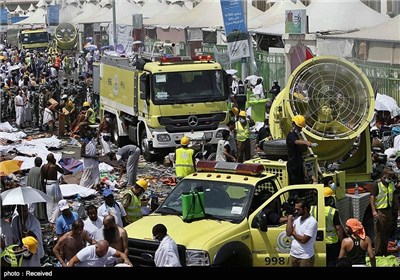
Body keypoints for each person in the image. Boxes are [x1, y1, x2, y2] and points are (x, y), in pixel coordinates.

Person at [370, 166, 395, 256]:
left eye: (391, 176)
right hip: (380, 211)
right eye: (389, 176)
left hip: (389, 211)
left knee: (387, 232)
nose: (390, 178)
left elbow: (394, 196)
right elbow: (372, 197)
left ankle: (384, 251)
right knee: (379, 233)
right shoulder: (377, 184)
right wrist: (374, 211)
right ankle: (378, 253)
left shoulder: (391, 183)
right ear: (384, 175)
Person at [285, 199, 318, 267]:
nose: (296, 211)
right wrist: (289, 219)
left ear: (305, 209)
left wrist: (293, 232)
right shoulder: (297, 218)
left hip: (305, 257)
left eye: (298, 209)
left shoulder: (312, 222)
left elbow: (304, 240)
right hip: (293, 254)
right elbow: (288, 233)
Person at [286, 115, 313, 185]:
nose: (300, 129)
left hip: (299, 164)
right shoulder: (290, 135)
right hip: (293, 165)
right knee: (295, 184)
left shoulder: (296, 135)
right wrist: (306, 142)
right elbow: (296, 142)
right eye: (299, 127)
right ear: (293, 124)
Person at [67, 240, 132, 267]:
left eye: (105, 252)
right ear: (96, 247)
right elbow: (71, 262)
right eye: (101, 252)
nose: (103, 254)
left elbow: (121, 254)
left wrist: (126, 259)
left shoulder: (108, 250)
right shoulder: (87, 251)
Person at [322, 187, 344, 267]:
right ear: (330, 199)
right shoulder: (333, 211)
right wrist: (342, 241)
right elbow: (338, 228)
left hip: (319, 241)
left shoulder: (313, 209)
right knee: (332, 262)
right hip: (332, 242)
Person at [41, 153, 64, 223]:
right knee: (57, 202)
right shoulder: (54, 166)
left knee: (49, 203)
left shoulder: (43, 167)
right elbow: (62, 171)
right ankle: (55, 218)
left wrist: (43, 188)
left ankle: (50, 218)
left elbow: (42, 179)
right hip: (54, 185)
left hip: (47, 185)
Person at [26, 157, 46, 221]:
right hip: (38, 188)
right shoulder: (40, 170)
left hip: (31, 189)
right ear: (40, 163)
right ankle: (40, 216)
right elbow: (42, 181)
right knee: (39, 203)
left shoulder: (31, 170)